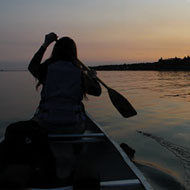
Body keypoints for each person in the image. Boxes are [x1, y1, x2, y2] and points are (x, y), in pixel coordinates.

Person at [28, 32, 101, 134]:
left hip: (46, 125)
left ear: (55, 51)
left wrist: (45, 44)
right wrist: (93, 78)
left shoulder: (46, 69)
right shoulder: (80, 74)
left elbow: (32, 66)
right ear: (74, 52)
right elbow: (97, 91)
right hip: (74, 127)